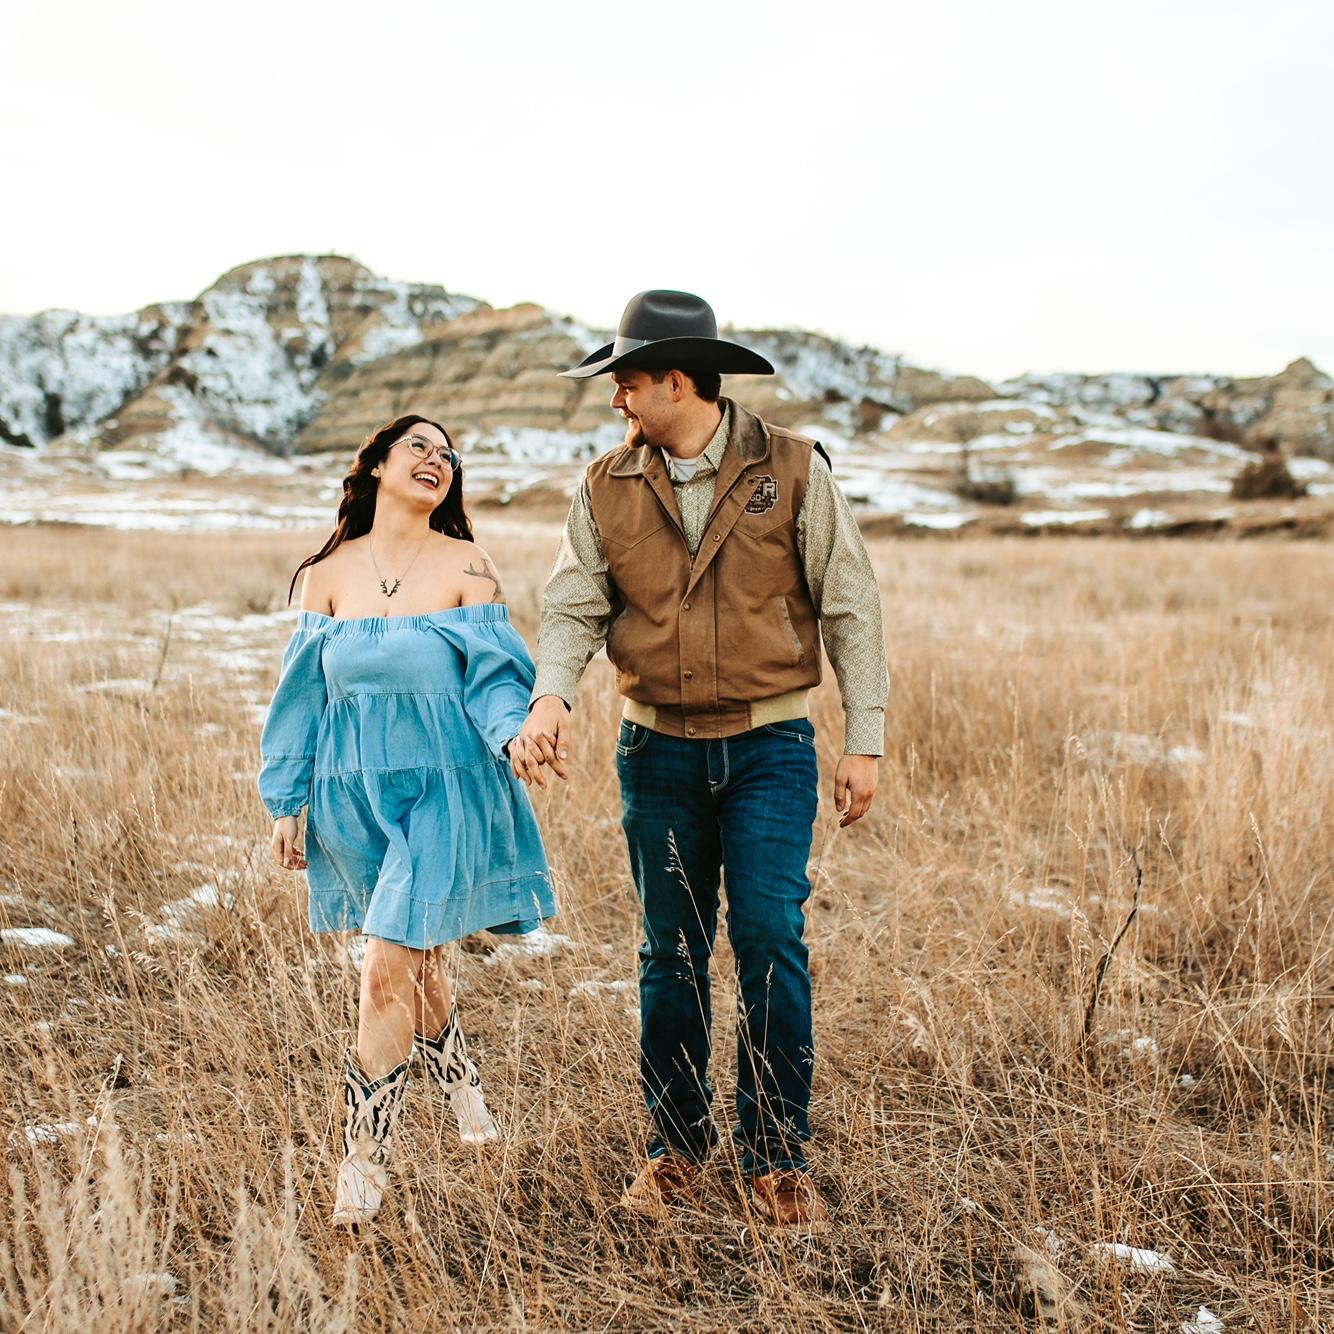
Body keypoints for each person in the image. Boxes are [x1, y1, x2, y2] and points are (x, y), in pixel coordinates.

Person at [513, 291, 888, 1227]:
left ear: (678, 382)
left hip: (771, 749)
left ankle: (777, 1156)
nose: (616, 399)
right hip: (657, 755)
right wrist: (551, 695)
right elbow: (573, 604)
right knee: (668, 953)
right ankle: (675, 1148)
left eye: (628, 382)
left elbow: (850, 602)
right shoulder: (604, 484)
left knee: (769, 938)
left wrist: (866, 737)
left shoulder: (792, 468)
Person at [259, 413, 557, 1227]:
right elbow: (301, 697)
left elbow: (495, 679)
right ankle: (465, 1091)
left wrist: (515, 733)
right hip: (353, 794)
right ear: (377, 467)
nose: (438, 459)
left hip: (446, 791)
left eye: (448, 453)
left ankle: (362, 1168)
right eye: (419, 446)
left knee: (385, 965)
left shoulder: (467, 565)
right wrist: (286, 800)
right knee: (415, 954)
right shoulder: (326, 574)